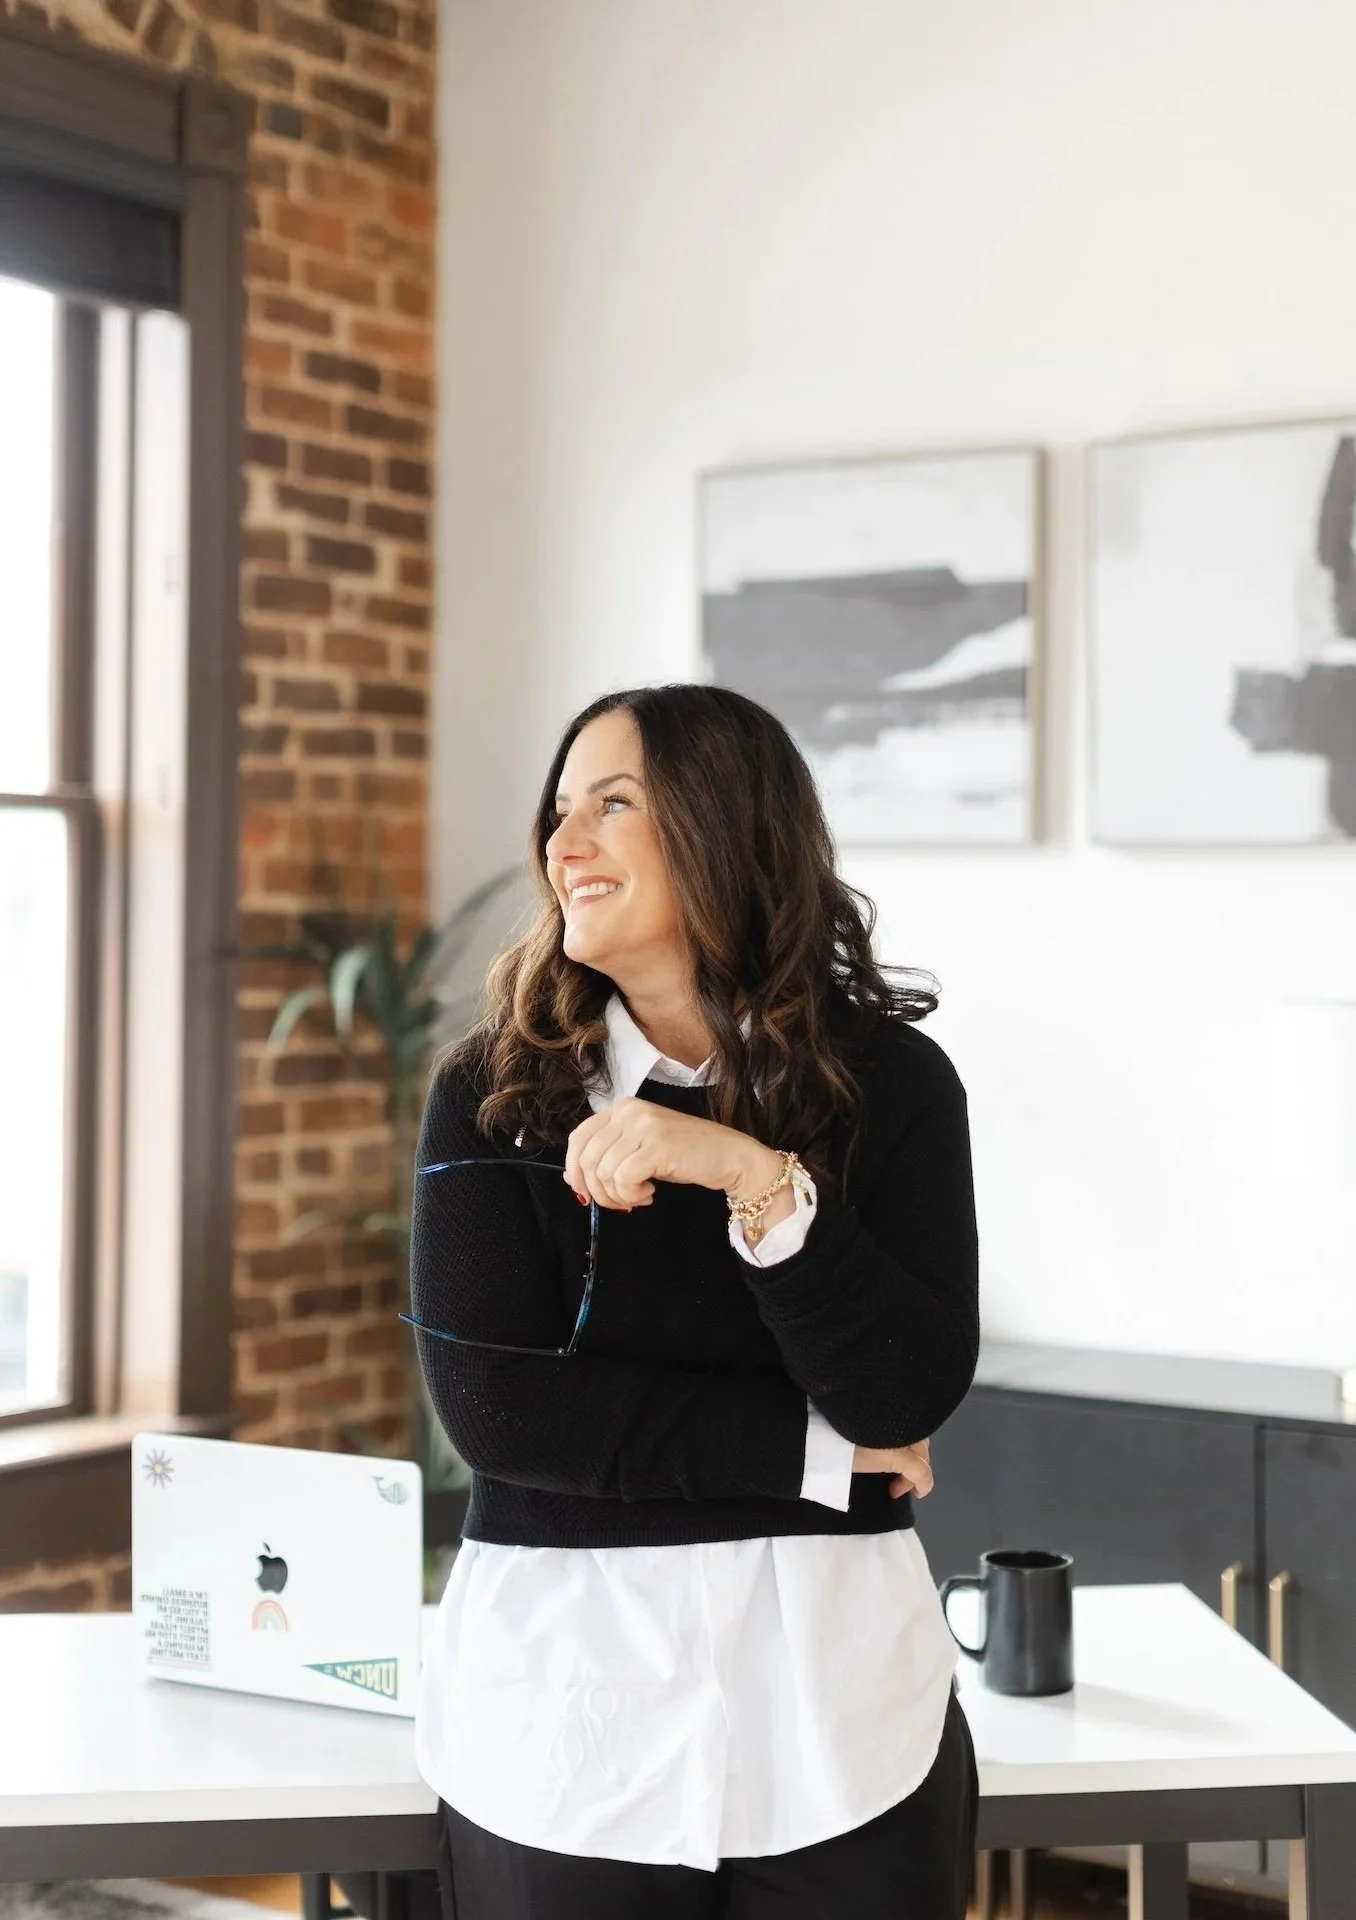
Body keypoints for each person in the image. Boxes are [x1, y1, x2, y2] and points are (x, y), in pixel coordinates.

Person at [408, 682, 981, 1920]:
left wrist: (754, 1178)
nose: (563, 847)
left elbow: (905, 1385)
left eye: (612, 805)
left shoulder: (895, 1086)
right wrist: (825, 1457)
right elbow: (504, 1420)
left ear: (728, 830)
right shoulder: (493, 1095)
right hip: (564, 1718)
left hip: (838, 1715)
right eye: (560, 812)